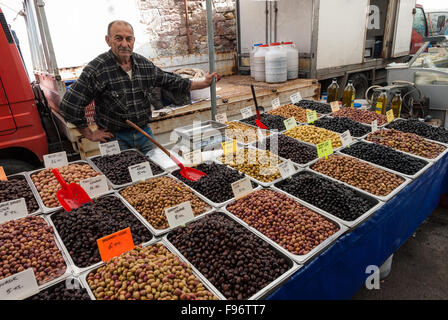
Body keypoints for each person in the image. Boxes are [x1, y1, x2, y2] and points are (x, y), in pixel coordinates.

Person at [60, 20, 220, 154]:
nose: (124, 44)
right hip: (114, 137)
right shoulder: (97, 69)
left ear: (134, 41)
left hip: (144, 133)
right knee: (122, 180)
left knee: (157, 175)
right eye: (118, 38)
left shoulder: (143, 64)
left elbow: (170, 81)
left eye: (128, 39)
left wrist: (203, 83)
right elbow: (69, 105)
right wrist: (89, 134)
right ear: (108, 40)